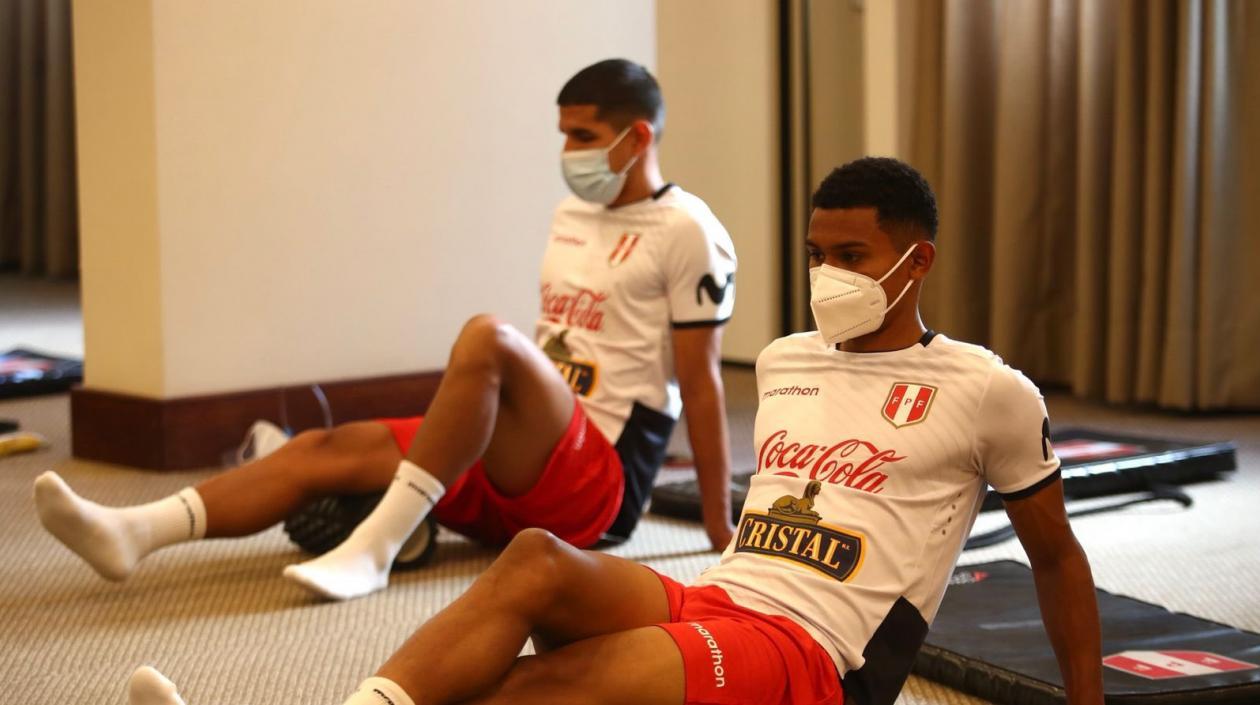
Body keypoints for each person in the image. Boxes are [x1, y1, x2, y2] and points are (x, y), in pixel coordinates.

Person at [124, 157, 1105, 705]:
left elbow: (1055, 557)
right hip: (719, 599)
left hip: (816, 659)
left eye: (852, 255)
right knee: (536, 563)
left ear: (916, 260)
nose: (826, 276)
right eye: (815, 254)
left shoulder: (988, 390)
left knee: (572, 682)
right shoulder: (788, 359)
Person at [33, 58, 738, 602]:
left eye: (583, 137)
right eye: (563, 136)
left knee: (488, 336)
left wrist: (717, 526)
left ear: (636, 136)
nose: (568, 152)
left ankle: (376, 547)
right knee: (329, 445)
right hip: (516, 463)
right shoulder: (571, 214)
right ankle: (133, 532)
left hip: (596, 487)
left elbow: (703, 383)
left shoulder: (687, 231)